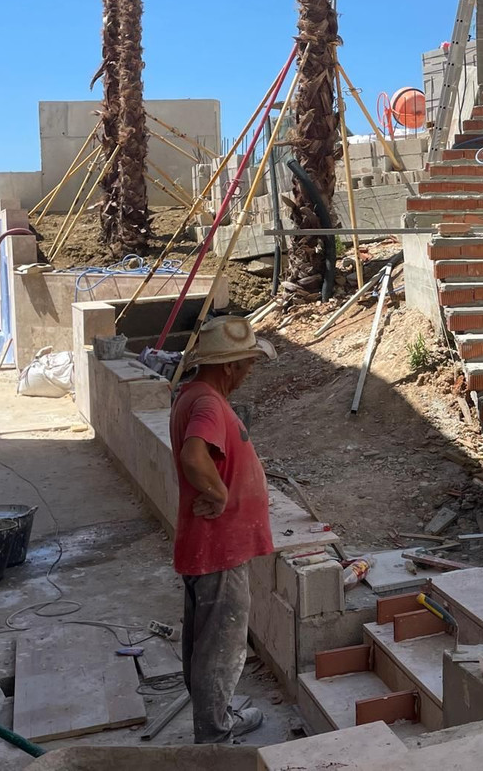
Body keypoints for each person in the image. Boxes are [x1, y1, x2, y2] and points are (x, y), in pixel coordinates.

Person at [169, 315, 277, 743]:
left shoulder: (194, 395)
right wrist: (219, 494)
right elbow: (194, 456)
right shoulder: (210, 404)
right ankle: (214, 738)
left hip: (207, 546)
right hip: (219, 548)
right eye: (248, 363)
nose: (250, 372)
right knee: (221, 648)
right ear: (230, 365)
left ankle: (218, 718)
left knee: (205, 642)